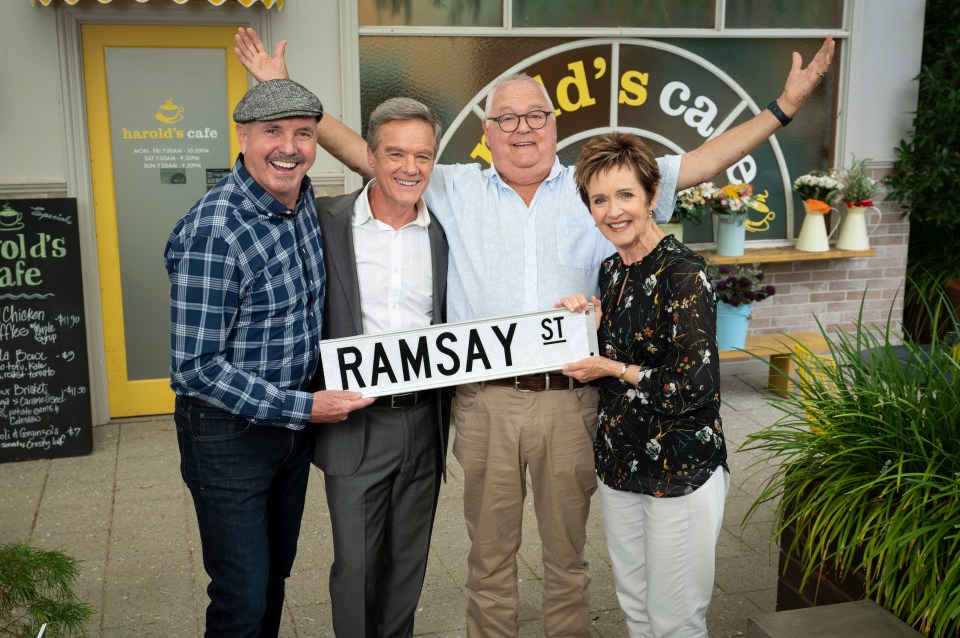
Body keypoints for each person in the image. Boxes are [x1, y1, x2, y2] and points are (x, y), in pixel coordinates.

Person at [234, 28, 834, 636]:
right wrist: (283, 95)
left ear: (554, 124)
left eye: (535, 116)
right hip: (485, 403)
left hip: (570, 402)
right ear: (486, 132)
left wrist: (781, 110)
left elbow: (704, 161)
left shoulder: (594, 187)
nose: (522, 128)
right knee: (489, 561)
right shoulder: (451, 186)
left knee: (567, 561)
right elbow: (373, 154)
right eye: (507, 118)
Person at [164, 78, 373, 638]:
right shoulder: (215, 229)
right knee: (241, 595)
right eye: (272, 132)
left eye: (303, 133)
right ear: (243, 136)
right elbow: (194, 367)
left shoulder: (303, 201)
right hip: (228, 435)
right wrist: (305, 408)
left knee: (274, 577)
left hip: (293, 427)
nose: (289, 147)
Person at [557, 132, 725, 637]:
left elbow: (695, 386)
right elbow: (619, 341)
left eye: (626, 195)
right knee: (635, 607)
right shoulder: (612, 271)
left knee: (676, 620)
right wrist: (584, 320)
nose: (613, 211)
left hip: (680, 469)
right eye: (599, 199)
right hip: (620, 461)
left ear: (653, 197)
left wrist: (612, 368)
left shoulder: (685, 274)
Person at [311, 96, 450, 637]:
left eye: (423, 156)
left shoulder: (443, 232)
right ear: (369, 154)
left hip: (423, 421)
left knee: (407, 566)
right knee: (356, 568)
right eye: (396, 154)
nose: (410, 169)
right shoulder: (326, 220)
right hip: (354, 422)